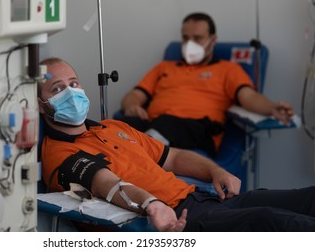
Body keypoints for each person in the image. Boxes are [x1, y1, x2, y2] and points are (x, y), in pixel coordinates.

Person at [38, 57, 315, 232]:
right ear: (41, 105)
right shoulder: (61, 153)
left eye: (74, 83)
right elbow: (106, 184)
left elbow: (173, 158)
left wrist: (215, 172)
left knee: (306, 198)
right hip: (176, 219)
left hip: (200, 198)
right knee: (273, 222)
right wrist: (153, 206)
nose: (71, 93)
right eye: (58, 89)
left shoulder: (114, 127)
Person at [120, 12, 294, 157]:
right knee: (121, 125)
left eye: (198, 38)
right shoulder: (164, 67)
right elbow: (134, 95)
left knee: (166, 125)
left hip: (200, 131)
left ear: (213, 40)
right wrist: (132, 106)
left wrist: (271, 108)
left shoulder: (228, 69)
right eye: (186, 38)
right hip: (156, 125)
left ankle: (139, 157)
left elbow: (249, 97)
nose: (190, 44)